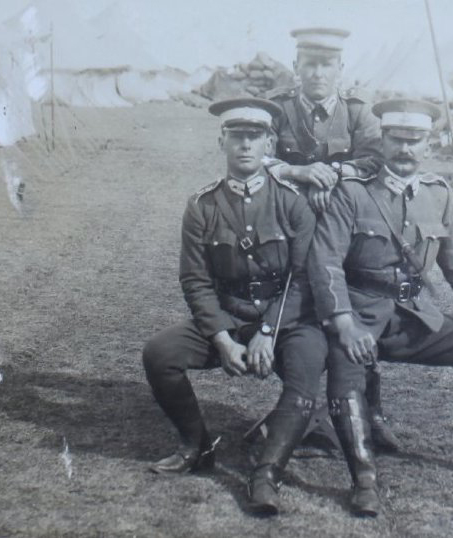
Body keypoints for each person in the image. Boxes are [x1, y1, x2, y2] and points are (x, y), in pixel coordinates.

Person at [307, 99, 453, 517]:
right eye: (396, 139)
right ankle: (363, 479)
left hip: (413, 317)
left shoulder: (438, 195)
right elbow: (325, 262)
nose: (405, 149)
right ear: (381, 140)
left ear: (428, 144)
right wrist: (342, 323)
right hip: (358, 315)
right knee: (346, 375)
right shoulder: (351, 192)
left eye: (414, 141)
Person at [141, 97, 327, 516]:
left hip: (285, 320)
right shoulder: (202, 205)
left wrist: (269, 331)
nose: (245, 145)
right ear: (221, 141)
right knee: (160, 353)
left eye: (254, 136)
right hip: (229, 317)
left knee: (308, 368)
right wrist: (222, 339)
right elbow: (195, 279)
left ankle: (267, 472)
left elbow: (302, 279)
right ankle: (196, 445)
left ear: (269, 143)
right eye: (236, 136)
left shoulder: (292, 201)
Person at [266, 26, 400, 453]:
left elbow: (376, 160)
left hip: (347, 228)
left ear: (340, 69)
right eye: (310, 64)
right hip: (290, 227)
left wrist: (335, 173)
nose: (318, 73)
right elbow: (256, 157)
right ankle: (310, 414)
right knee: (300, 311)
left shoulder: (359, 113)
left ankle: (370, 411)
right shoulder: (276, 110)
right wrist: (297, 172)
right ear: (296, 67)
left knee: (355, 305)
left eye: (327, 64)